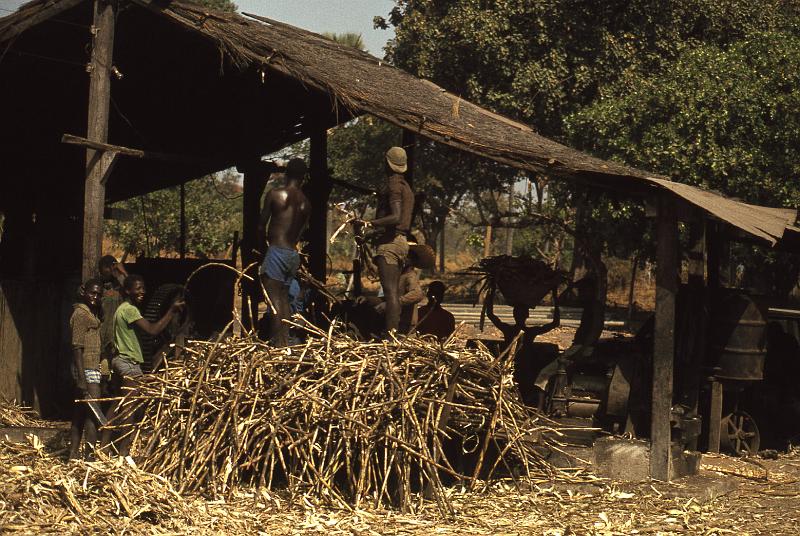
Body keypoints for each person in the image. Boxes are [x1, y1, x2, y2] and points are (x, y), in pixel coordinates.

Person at [101, 274, 183, 457]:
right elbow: (153, 330)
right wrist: (171, 310)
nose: (142, 292)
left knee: (117, 405)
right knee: (129, 408)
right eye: (137, 288)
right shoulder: (129, 310)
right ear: (128, 291)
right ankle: (123, 454)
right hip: (129, 363)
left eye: (143, 288)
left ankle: (103, 448)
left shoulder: (121, 309)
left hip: (120, 361)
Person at [257, 158, 310, 347]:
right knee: (285, 300)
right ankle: (285, 344)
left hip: (277, 251)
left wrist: (262, 251)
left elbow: (261, 226)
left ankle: (277, 345)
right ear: (303, 178)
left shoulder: (275, 194)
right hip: (292, 255)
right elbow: (300, 233)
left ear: (286, 174)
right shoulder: (306, 203)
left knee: (274, 301)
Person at [362, 146, 414, 334]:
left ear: (387, 162)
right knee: (393, 292)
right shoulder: (405, 187)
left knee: (390, 292)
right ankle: (392, 335)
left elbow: (396, 217)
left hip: (390, 245)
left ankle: (390, 338)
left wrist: (369, 223)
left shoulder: (393, 185)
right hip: (401, 242)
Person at [68, 278, 103, 460]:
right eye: (92, 293)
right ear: (84, 292)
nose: (95, 297)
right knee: (93, 413)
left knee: (80, 413)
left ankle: (72, 455)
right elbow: (77, 347)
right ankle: (90, 457)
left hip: (89, 368)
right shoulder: (81, 314)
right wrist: (81, 377)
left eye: (98, 294)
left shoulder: (91, 313)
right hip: (86, 369)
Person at [97, 255, 127, 382]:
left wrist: (122, 271)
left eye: (111, 268)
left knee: (117, 373)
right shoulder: (98, 286)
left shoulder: (121, 287)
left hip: (118, 337)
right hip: (102, 336)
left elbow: (133, 289)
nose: (108, 272)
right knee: (103, 372)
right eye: (105, 269)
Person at [376, 258, 424, 334]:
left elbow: (417, 293)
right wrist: (368, 299)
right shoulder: (395, 276)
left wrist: (392, 304)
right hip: (392, 324)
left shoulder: (410, 275)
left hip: (404, 326)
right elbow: (384, 298)